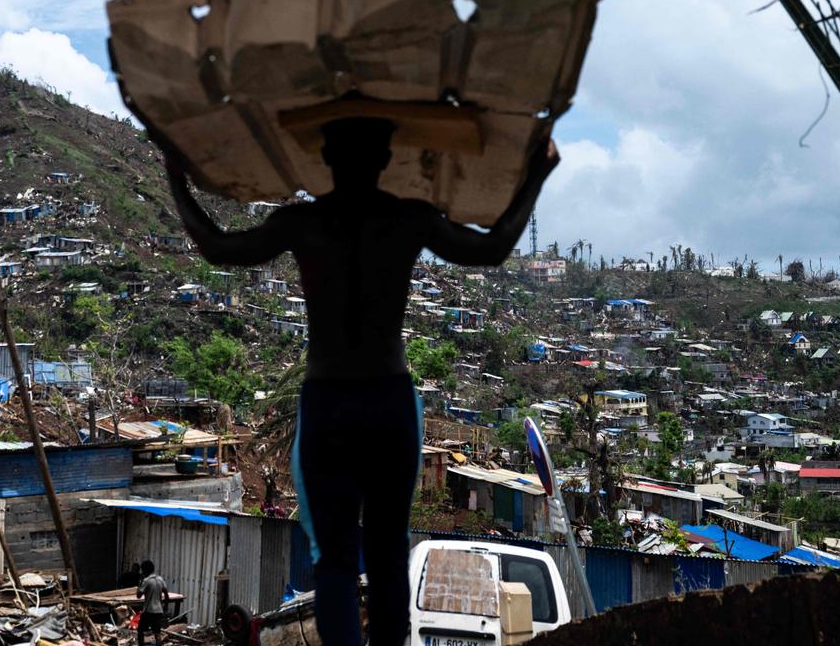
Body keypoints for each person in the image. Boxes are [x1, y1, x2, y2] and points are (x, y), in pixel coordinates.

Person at [162, 117, 559, 646]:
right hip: (388, 402)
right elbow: (492, 248)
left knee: (336, 562)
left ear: (325, 159)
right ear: (384, 160)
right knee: (390, 554)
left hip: (329, 402)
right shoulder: (407, 218)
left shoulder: (302, 222)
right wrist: (536, 172)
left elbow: (216, 246)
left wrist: (175, 175)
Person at [136, 559, 169, 646]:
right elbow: (166, 594)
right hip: (158, 610)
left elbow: (138, 595)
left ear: (144, 570)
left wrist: (140, 582)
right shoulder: (160, 579)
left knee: (140, 631)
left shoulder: (146, 580)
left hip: (148, 611)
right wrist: (165, 606)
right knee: (157, 633)